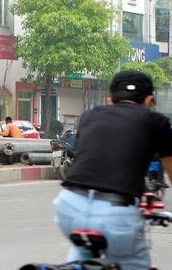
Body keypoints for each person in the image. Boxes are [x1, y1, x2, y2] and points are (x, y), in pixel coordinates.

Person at [54, 70, 172, 269]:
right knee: (136, 262)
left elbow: (103, 160)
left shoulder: (89, 117)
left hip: (68, 207)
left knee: (82, 256)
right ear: (149, 100)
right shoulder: (157, 122)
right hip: (116, 215)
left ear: (110, 100)